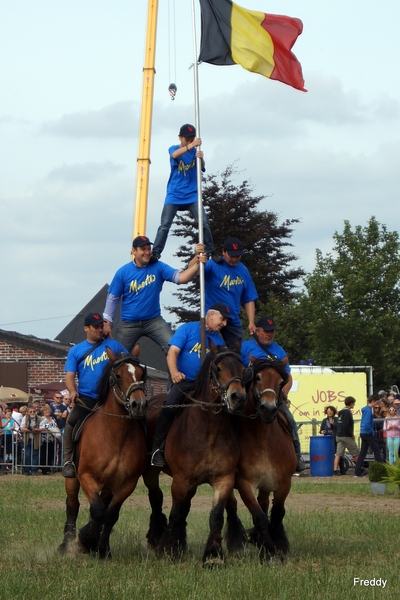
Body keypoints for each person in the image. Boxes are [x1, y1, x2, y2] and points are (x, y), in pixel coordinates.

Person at [150, 303, 231, 467]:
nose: (224, 324)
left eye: (226, 321)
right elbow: (172, 352)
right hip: (185, 382)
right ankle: (157, 449)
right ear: (211, 315)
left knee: (230, 410)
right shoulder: (187, 329)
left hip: (208, 387)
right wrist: (174, 373)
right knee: (169, 407)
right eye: (222, 319)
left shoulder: (218, 340)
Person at [103, 236, 205, 354]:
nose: (147, 252)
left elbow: (181, 278)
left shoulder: (158, 267)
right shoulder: (123, 272)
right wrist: (107, 322)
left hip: (153, 320)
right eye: (143, 249)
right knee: (118, 356)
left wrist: (197, 263)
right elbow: (112, 299)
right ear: (134, 251)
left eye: (149, 249)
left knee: (174, 347)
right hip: (128, 323)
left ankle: (174, 373)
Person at [62, 312, 129, 478]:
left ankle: (145, 455)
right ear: (86, 328)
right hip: (87, 398)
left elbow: (128, 365)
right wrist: (72, 390)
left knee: (137, 418)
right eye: (96, 327)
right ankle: (68, 461)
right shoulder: (76, 350)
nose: (100, 330)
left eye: (101, 327)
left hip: (112, 397)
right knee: (71, 422)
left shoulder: (114, 345)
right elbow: (69, 375)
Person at [240, 316, 306, 473]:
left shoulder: (279, 350)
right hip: (248, 396)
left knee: (290, 420)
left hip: (272, 397)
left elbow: (288, 376)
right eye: (266, 331)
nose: (269, 334)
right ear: (256, 331)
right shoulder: (244, 348)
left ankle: (297, 455)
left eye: (272, 332)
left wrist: (284, 392)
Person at [151, 123, 217, 261]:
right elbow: (174, 155)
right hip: (174, 194)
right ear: (180, 137)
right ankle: (156, 253)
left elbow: (202, 168)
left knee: (204, 223)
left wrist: (201, 158)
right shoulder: (174, 148)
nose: (189, 141)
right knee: (164, 225)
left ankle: (211, 251)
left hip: (191, 194)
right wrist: (191, 145)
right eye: (187, 139)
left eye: (192, 139)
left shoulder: (194, 151)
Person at [198, 237, 258, 347]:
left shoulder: (243, 270)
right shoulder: (213, 264)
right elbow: (195, 271)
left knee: (240, 349)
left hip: (232, 318)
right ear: (223, 252)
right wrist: (198, 259)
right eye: (232, 256)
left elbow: (249, 298)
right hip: (213, 317)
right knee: (207, 348)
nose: (234, 259)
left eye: (237, 256)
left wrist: (251, 322)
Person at [354, 395, 383, 477]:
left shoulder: (366, 409)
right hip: (368, 433)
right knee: (376, 450)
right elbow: (367, 423)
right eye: (376, 402)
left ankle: (357, 470)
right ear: (373, 401)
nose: (376, 404)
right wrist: (372, 431)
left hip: (363, 432)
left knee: (363, 452)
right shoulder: (368, 410)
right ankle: (381, 470)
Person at [333, 396, 359, 476]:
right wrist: (351, 435)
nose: (354, 404)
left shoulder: (341, 412)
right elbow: (346, 425)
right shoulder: (348, 412)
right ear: (351, 403)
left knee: (338, 453)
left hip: (339, 435)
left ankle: (335, 470)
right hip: (346, 436)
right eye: (353, 403)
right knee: (355, 451)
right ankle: (359, 468)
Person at [20, 405, 43, 475]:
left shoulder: (39, 418)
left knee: (35, 455)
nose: (32, 413)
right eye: (31, 411)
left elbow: (42, 427)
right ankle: (26, 470)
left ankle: (33, 470)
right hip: (27, 439)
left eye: (34, 411)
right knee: (27, 455)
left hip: (36, 439)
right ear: (27, 412)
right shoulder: (25, 418)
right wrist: (30, 430)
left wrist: (37, 430)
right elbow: (22, 428)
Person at [39, 404, 59, 474]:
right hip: (44, 439)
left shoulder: (53, 418)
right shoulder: (41, 418)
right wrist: (48, 430)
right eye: (46, 410)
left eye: (48, 410)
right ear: (43, 411)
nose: (47, 411)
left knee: (51, 453)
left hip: (52, 439)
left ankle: (49, 468)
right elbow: (40, 428)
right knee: (44, 454)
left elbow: (56, 426)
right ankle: (44, 469)